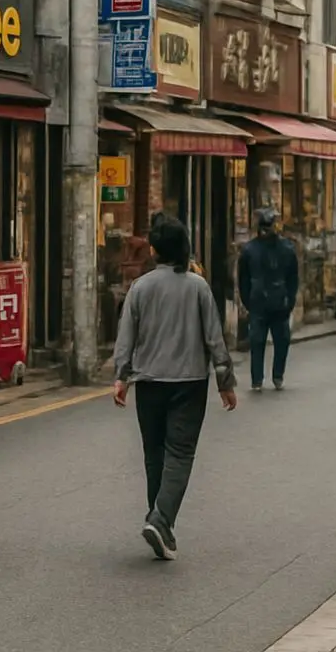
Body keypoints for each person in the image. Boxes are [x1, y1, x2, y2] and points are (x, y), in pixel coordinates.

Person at [113, 215, 238, 562]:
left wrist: (121, 377)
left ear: (154, 250)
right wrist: (225, 381)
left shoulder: (140, 287)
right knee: (180, 454)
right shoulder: (198, 287)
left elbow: (126, 336)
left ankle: (159, 520)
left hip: (148, 382)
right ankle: (160, 519)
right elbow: (214, 338)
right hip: (189, 382)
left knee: (154, 453)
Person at [237, 208, 299, 392]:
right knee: (260, 341)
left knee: (277, 341)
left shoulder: (284, 249)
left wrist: (289, 299)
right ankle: (261, 378)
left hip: (275, 302)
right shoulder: (251, 250)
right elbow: (243, 279)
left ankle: (272, 376)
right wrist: (248, 300)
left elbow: (292, 277)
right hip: (263, 301)